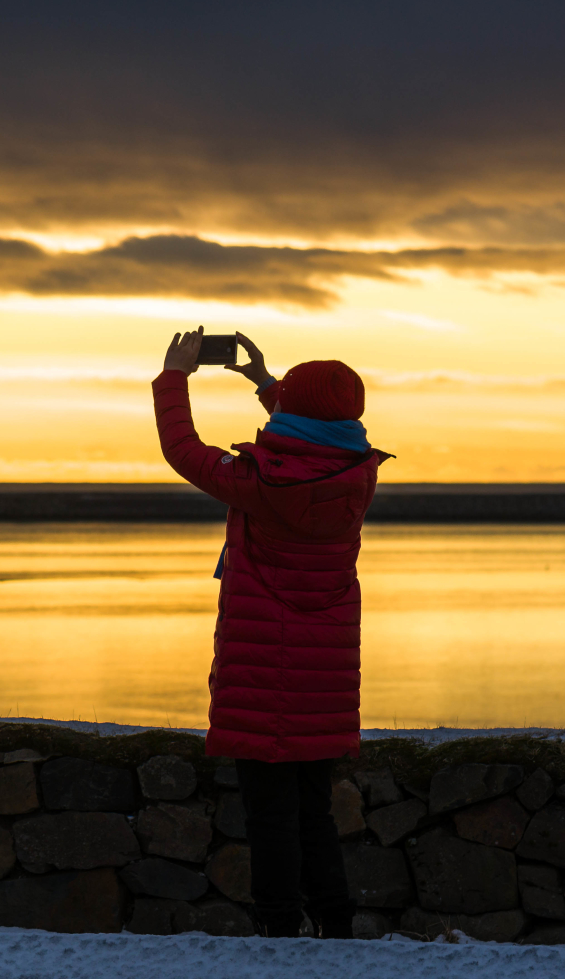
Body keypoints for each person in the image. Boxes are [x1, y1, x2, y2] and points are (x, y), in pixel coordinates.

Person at [153, 326, 389, 939]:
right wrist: (265, 384)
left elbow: (184, 450)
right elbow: (310, 438)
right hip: (325, 681)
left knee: (270, 817)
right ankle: (335, 925)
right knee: (315, 813)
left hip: (261, 676)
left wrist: (174, 376)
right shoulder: (355, 477)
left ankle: (280, 931)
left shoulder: (260, 480)